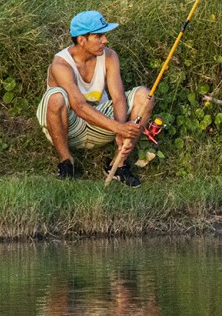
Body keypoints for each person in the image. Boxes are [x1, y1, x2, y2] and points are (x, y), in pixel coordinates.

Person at [37, 10, 154, 185]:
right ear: (81, 40)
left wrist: (121, 130)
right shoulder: (60, 64)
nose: (105, 40)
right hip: (68, 126)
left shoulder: (110, 56)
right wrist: (118, 127)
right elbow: (79, 107)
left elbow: (118, 97)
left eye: (104, 35)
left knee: (145, 96)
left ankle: (118, 165)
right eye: (98, 36)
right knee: (56, 96)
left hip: (100, 122)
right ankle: (66, 162)